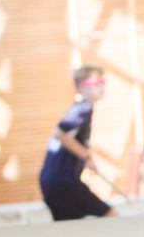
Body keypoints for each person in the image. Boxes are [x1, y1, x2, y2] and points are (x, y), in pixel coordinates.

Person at [40, 65, 118, 221]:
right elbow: (60, 134)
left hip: (52, 182)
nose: (102, 86)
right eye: (96, 82)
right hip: (63, 182)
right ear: (80, 86)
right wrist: (87, 156)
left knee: (70, 231)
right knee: (111, 215)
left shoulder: (81, 109)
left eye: (103, 82)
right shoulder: (82, 107)